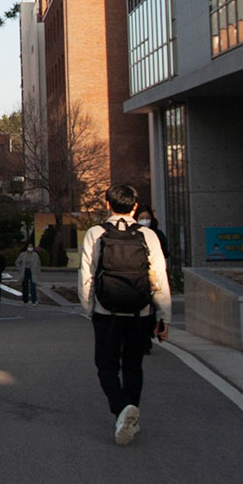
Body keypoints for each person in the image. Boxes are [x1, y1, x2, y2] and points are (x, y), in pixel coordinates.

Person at [79, 183, 171, 446]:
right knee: (133, 365)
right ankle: (131, 413)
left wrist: (89, 308)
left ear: (108, 204)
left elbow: (87, 276)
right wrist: (163, 317)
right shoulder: (147, 235)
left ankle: (121, 410)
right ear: (135, 207)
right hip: (139, 312)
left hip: (106, 311)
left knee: (106, 366)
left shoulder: (96, 233)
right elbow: (158, 278)